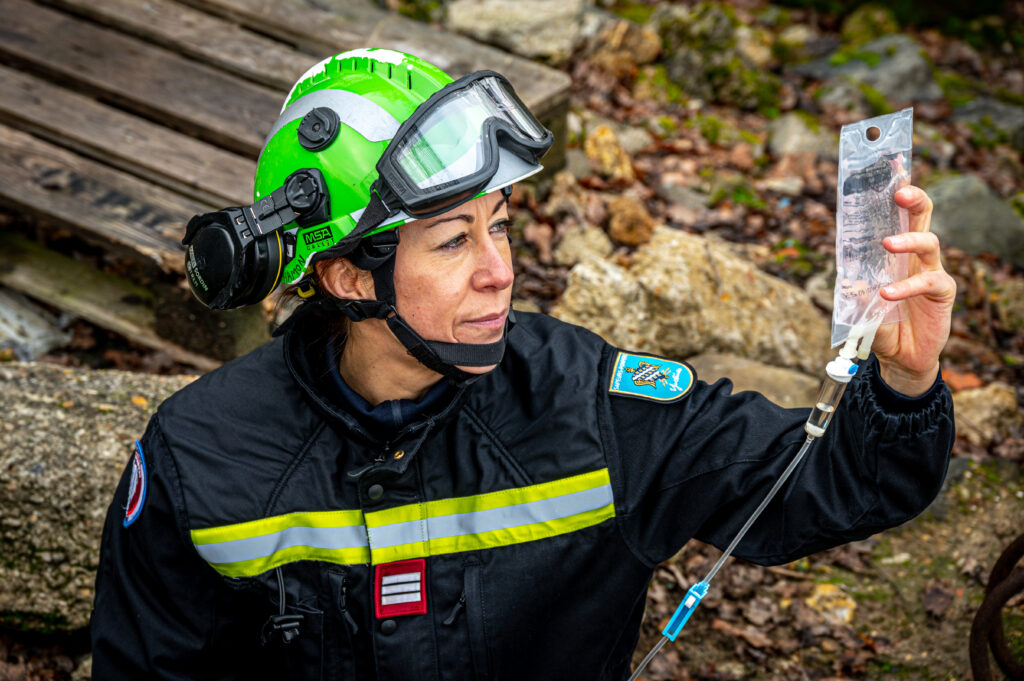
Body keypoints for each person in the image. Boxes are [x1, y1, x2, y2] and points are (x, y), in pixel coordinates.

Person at [91, 48, 956, 680]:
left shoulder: (587, 403)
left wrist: (906, 384)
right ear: (349, 273)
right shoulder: (198, 455)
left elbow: (821, 485)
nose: (500, 268)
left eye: (498, 223)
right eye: (453, 238)